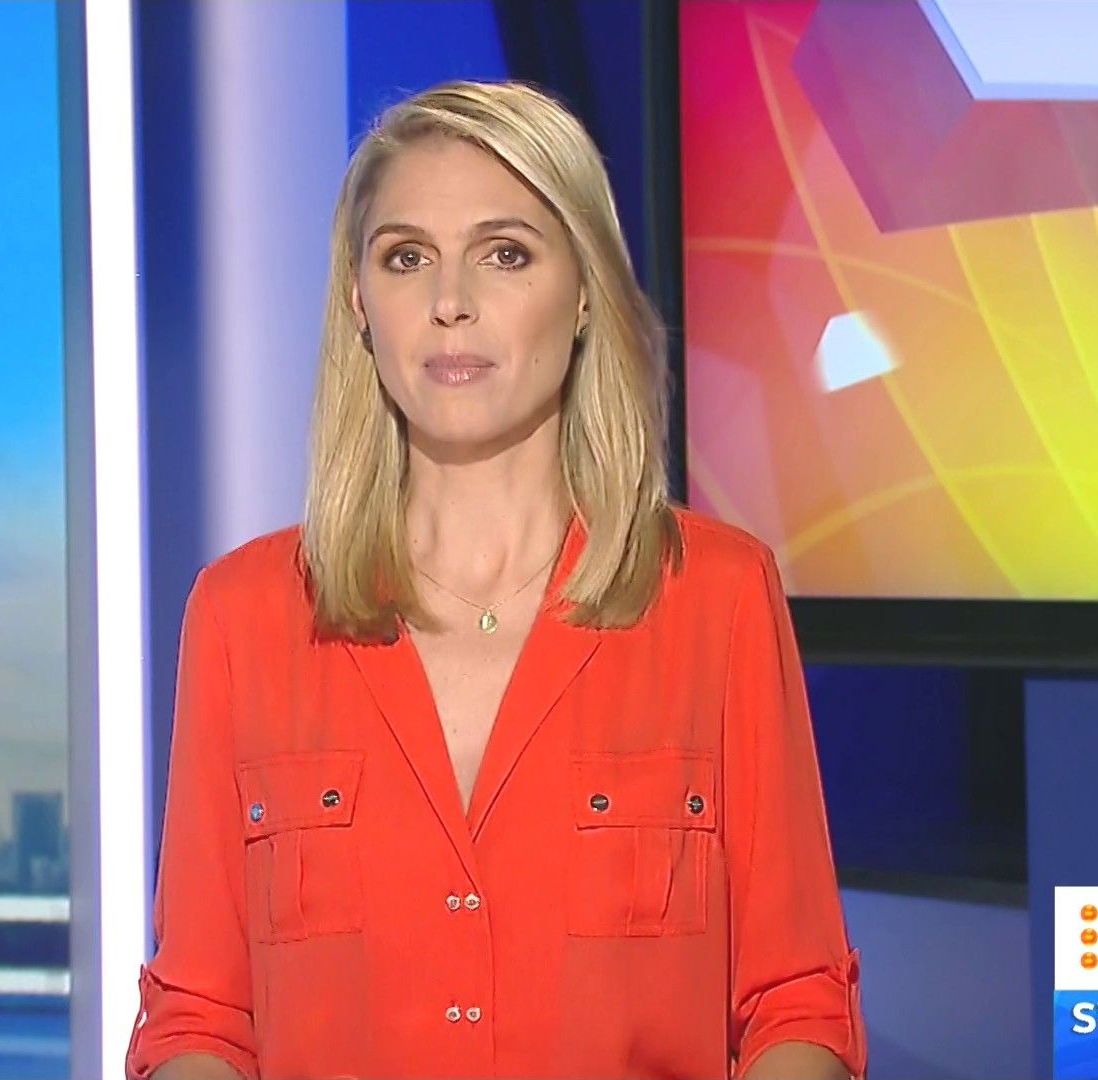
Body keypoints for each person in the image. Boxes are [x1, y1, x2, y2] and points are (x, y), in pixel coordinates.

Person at [125, 80, 864, 1080]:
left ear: (586, 291)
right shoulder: (241, 615)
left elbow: (796, 1002)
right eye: (406, 257)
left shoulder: (718, 596)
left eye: (505, 254)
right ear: (359, 303)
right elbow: (200, 1019)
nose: (450, 303)